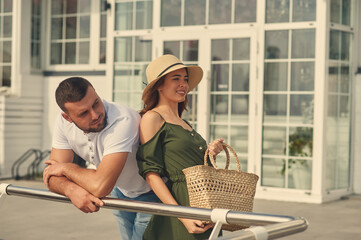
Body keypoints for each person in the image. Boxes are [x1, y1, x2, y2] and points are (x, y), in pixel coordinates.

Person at [43, 77, 158, 240]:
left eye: (96, 103)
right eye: (84, 113)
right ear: (68, 117)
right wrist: (71, 190)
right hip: (121, 190)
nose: (95, 114)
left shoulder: (122, 119)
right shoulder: (62, 123)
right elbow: (50, 176)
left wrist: (67, 168)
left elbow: (100, 186)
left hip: (152, 192)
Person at [136, 54, 224, 240]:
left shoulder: (184, 123)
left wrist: (211, 153)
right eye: (176, 79)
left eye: (185, 79)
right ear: (158, 85)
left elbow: (193, 164)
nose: (183, 84)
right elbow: (151, 174)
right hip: (182, 205)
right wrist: (183, 216)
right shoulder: (152, 118)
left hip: (204, 201)